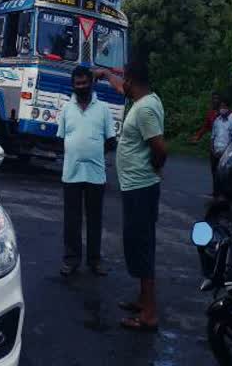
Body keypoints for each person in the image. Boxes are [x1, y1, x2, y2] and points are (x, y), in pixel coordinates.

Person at [96, 59, 167, 332]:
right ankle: (142, 299)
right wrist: (104, 74)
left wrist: (155, 168)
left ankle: (149, 314)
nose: (121, 82)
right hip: (135, 187)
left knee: (141, 246)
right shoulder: (142, 99)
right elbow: (119, 88)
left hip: (141, 188)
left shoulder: (146, 109)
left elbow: (161, 149)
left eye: (123, 78)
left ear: (132, 80)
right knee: (136, 243)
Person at [56, 65, 116, 277]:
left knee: (94, 219)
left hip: (95, 174)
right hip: (71, 173)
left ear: (91, 83)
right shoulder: (66, 109)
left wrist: (94, 153)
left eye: (84, 82)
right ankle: (71, 260)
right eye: (77, 83)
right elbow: (62, 137)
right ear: (73, 85)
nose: (81, 86)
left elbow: (111, 141)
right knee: (71, 220)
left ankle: (95, 261)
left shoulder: (104, 109)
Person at [190, 93, 221, 195]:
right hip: (214, 145)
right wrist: (197, 136)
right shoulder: (210, 113)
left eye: (217, 98)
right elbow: (206, 127)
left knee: (224, 169)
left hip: (226, 145)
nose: (215, 100)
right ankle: (216, 191)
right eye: (214, 99)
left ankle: (223, 191)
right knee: (214, 169)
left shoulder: (226, 113)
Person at [210, 100, 232, 197]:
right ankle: (216, 193)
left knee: (224, 174)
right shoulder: (217, 120)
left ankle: (224, 194)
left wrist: (225, 152)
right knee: (215, 173)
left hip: (226, 153)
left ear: (228, 108)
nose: (221, 109)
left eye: (224, 107)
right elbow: (213, 136)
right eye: (220, 107)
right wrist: (212, 149)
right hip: (215, 151)